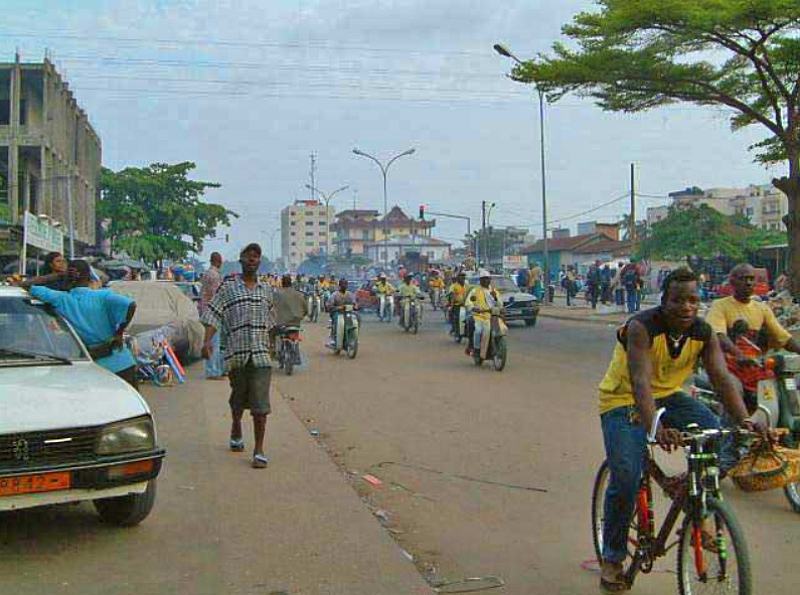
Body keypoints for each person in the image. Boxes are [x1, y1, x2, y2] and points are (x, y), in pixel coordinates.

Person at [596, 268, 760, 593]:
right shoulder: (642, 327)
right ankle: (612, 557)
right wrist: (656, 426)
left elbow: (721, 378)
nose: (686, 307)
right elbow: (640, 382)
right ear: (664, 300)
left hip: (669, 395)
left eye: (693, 300)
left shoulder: (702, 332)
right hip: (623, 398)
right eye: (677, 300)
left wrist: (745, 422)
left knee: (715, 432)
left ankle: (694, 501)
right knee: (626, 477)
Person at [201, 243, 277, 469]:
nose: (253, 260)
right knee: (238, 397)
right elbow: (214, 313)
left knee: (260, 405)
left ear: (259, 262)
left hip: (261, 356)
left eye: (256, 257)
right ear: (241, 260)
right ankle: (236, 425)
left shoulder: (266, 290)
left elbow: (271, 321)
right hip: (237, 354)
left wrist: (273, 345)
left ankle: (259, 449)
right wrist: (207, 342)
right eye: (249, 256)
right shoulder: (229, 288)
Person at [21, 260, 139, 387]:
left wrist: (58, 275)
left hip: (91, 370)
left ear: (67, 277)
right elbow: (131, 304)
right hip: (121, 364)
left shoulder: (60, 299)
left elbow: (25, 285)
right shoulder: (103, 296)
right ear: (89, 277)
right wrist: (119, 332)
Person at [706, 263, 800, 402]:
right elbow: (719, 335)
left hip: (755, 368)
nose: (749, 283)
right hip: (728, 367)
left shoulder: (762, 308)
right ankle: (734, 423)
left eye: (751, 279)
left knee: (775, 395)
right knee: (733, 391)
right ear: (732, 282)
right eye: (743, 279)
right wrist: (739, 355)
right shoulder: (719, 305)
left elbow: (783, 337)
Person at [200, 252, 225, 380]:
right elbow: (216, 295)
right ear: (218, 261)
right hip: (213, 312)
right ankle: (212, 371)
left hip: (206, 310)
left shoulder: (207, 273)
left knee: (213, 341)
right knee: (214, 342)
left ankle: (216, 369)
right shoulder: (214, 275)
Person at [465, 269, 501, 356]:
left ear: (490, 280)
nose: (485, 280)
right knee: (478, 331)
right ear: (480, 280)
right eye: (483, 279)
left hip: (492, 316)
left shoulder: (494, 291)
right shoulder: (475, 291)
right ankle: (476, 349)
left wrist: (495, 298)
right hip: (479, 316)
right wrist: (473, 308)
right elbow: (469, 303)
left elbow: (499, 304)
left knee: (500, 330)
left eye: (487, 278)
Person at [327, 279, 357, 347]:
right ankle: (334, 339)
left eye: (346, 284)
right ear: (339, 285)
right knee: (337, 321)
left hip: (348, 313)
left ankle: (354, 336)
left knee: (358, 318)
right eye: (343, 284)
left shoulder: (350, 294)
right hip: (337, 313)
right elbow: (329, 306)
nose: (344, 286)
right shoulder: (334, 294)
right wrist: (338, 307)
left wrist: (356, 306)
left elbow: (354, 303)